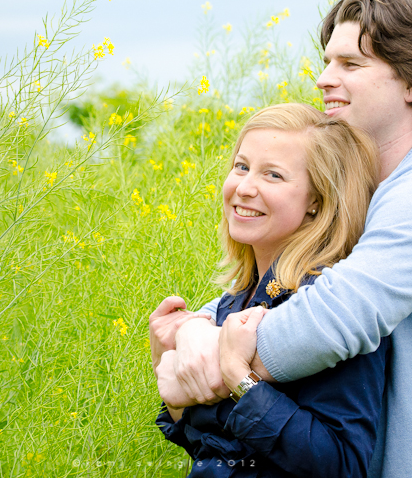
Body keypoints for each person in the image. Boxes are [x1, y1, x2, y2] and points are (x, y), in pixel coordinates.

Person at [151, 0, 412, 477]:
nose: (324, 79)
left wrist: (210, 359)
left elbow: (332, 319)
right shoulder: (372, 193)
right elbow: (274, 290)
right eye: (327, 61)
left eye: (351, 65)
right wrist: (196, 327)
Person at [152, 103, 389, 476]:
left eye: (273, 175)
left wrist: (237, 379)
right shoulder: (234, 300)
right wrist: (170, 373)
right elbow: (216, 451)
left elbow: (341, 465)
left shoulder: (325, 304)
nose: (245, 188)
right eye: (241, 167)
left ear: (316, 199)